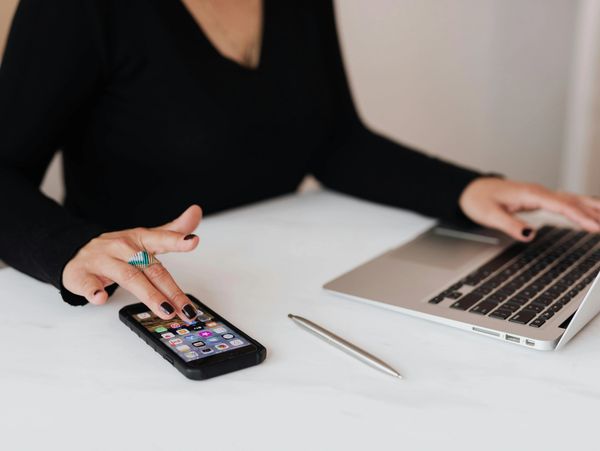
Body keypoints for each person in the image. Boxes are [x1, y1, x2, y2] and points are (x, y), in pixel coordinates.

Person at [1, 0, 599, 324]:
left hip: (289, 289)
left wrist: (469, 189)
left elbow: (334, 138)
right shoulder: (77, 10)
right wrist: (69, 249)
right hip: (139, 304)